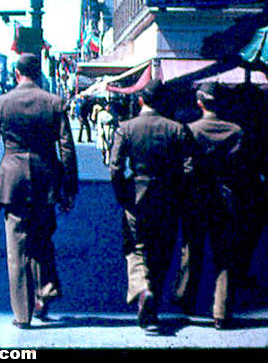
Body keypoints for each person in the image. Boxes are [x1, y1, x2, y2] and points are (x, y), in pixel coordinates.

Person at [0, 53, 78, 329]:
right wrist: (69, 187)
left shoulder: (0, 103)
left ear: (16, 74)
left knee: (17, 248)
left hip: (12, 181)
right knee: (42, 238)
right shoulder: (54, 103)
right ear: (39, 74)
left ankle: (23, 315)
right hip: (45, 178)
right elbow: (67, 148)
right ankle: (44, 293)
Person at [109, 78, 194, 333]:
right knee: (162, 252)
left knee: (136, 248)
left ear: (141, 100)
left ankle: (142, 290)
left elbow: (115, 167)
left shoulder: (126, 127)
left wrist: (122, 194)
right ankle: (151, 308)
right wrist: (179, 192)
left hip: (136, 197)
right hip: (167, 199)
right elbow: (188, 167)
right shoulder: (176, 129)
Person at [171, 83, 251, 330]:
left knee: (192, 250)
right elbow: (243, 170)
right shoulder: (236, 132)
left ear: (200, 103)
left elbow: (184, 168)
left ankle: (185, 298)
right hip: (227, 200)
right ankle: (221, 311)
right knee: (224, 256)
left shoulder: (190, 130)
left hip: (196, 198)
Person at [95, 101, 119, 166]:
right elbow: (99, 123)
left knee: (109, 147)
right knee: (103, 147)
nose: (108, 108)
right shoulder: (101, 114)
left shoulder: (113, 113)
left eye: (109, 106)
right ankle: (104, 156)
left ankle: (108, 160)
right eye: (107, 106)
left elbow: (115, 122)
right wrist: (100, 131)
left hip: (110, 130)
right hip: (103, 131)